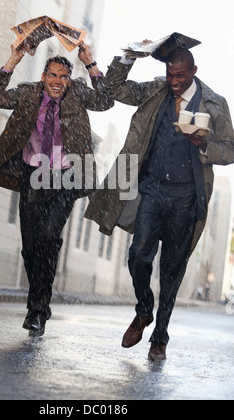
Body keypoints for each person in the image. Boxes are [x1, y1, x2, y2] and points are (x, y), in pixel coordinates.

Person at [85, 45, 234, 361]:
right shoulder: (155, 89)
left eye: (180, 75)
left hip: (186, 197)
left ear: (193, 71)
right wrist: (126, 59)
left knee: (171, 270)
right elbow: (112, 90)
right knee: (138, 255)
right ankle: (143, 310)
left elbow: (231, 150)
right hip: (151, 189)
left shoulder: (215, 103)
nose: (174, 80)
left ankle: (160, 337)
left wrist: (206, 144)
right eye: (170, 74)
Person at [0, 42, 114, 337]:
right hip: (33, 175)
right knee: (32, 247)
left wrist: (89, 61)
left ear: (70, 80)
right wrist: (14, 58)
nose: (58, 82)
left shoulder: (78, 92)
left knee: (48, 236)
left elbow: (106, 101)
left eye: (64, 77)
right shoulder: (28, 93)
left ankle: (36, 310)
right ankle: (42, 302)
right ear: (44, 76)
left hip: (67, 178)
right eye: (53, 75)